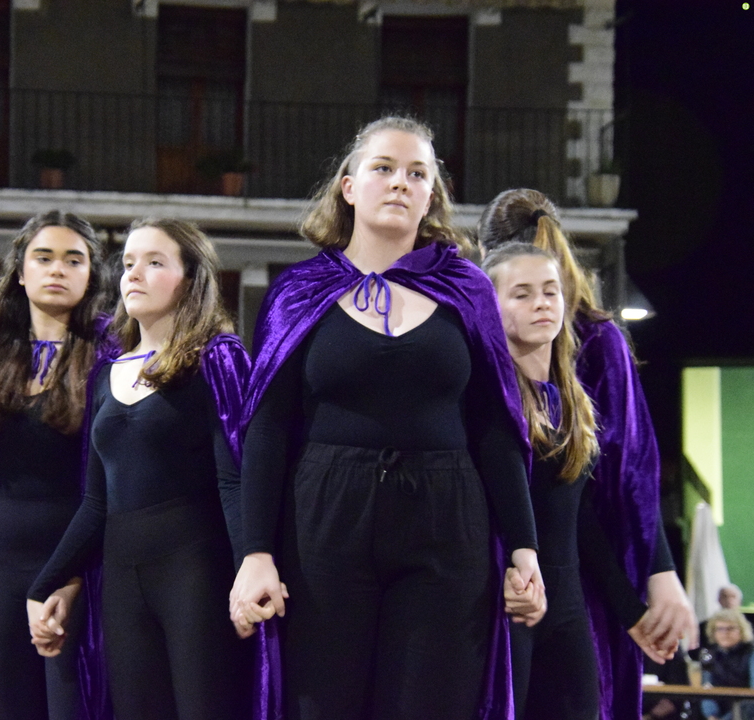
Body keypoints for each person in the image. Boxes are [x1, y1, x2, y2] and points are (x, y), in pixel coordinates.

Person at [228, 115, 542, 720]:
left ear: (431, 196)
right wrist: (255, 552)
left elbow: (496, 426)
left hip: (446, 522)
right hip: (325, 520)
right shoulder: (298, 291)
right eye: (384, 168)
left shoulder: (467, 289)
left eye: (417, 173)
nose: (401, 182)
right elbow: (266, 429)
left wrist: (524, 546)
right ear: (349, 187)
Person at [478, 188, 699, 720]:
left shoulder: (575, 378)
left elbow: (592, 491)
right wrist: (653, 576)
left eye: (549, 291)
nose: (541, 305)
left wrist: (641, 595)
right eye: (523, 294)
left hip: (574, 590)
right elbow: (631, 471)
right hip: (512, 594)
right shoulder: (485, 379)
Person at [28, 218, 252, 720]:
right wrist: (47, 581)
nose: (133, 274)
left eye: (154, 262)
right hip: (123, 579)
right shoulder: (107, 374)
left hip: (195, 571)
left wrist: (248, 568)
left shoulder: (217, 358)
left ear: (190, 279)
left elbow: (234, 479)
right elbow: (95, 501)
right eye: (129, 263)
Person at [0, 212, 111, 720]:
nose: (57, 269)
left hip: (79, 566)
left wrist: (71, 574)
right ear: (21, 272)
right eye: (44, 257)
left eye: (73, 260)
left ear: (91, 275)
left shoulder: (112, 355)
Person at [699, 609, 754, 720]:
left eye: (730, 628)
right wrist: (711, 715)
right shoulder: (708, 654)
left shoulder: (750, 652)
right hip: (718, 709)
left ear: (741, 630)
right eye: (720, 629)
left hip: (746, 708)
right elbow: (706, 686)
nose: (725, 633)